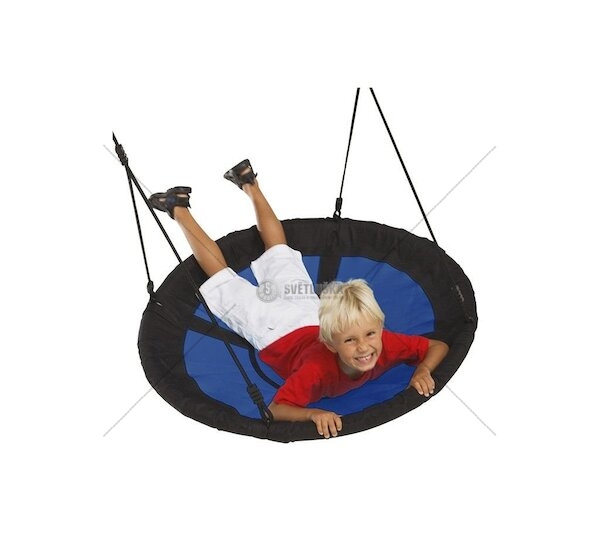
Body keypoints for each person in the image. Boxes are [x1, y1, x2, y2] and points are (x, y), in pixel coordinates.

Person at [149, 159, 449, 438]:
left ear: (379, 329)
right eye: (350, 341)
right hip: (273, 330)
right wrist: (311, 413)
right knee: (225, 279)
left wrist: (423, 369)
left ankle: (248, 183)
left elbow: (437, 346)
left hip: (309, 311)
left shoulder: (384, 342)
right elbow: (276, 409)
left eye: (370, 334)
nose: (364, 347)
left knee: (279, 253)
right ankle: (181, 208)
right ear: (330, 344)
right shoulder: (315, 370)